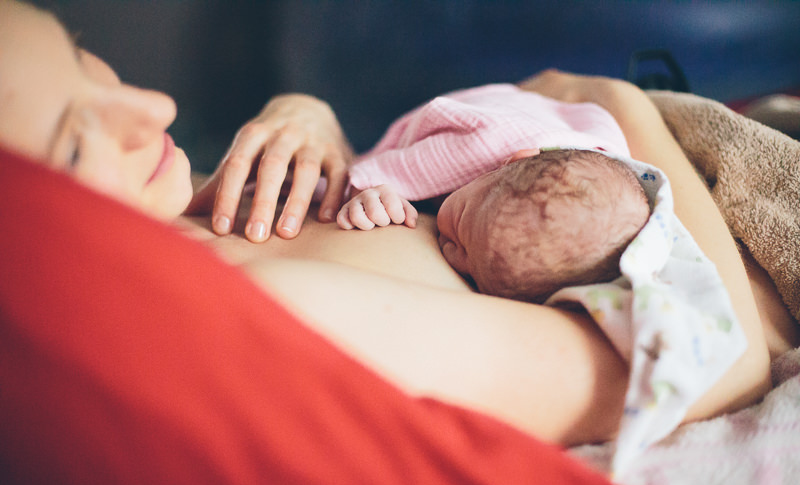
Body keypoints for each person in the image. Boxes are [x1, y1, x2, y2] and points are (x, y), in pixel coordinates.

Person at [0, 0, 791, 451]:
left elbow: (381, 207)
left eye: (81, 56)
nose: (154, 108)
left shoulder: (192, 214)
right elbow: (719, 363)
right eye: (74, 141)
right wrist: (616, 101)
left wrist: (309, 122)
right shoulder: (270, 311)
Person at [335, 83, 651, 302]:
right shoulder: (473, 151)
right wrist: (369, 191)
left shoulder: (602, 189)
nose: (453, 257)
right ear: (509, 163)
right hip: (500, 110)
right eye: (460, 221)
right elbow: (364, 174)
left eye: (473, 277)